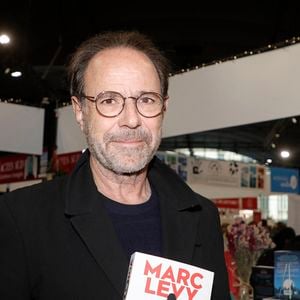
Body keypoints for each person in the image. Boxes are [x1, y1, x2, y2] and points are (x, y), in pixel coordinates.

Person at [0, 31, 230, 299]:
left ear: (163, 108)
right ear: (79, 111)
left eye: (146, 100)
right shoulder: (22, 218)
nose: (131, 119)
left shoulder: (203, 215)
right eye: (109, 100)